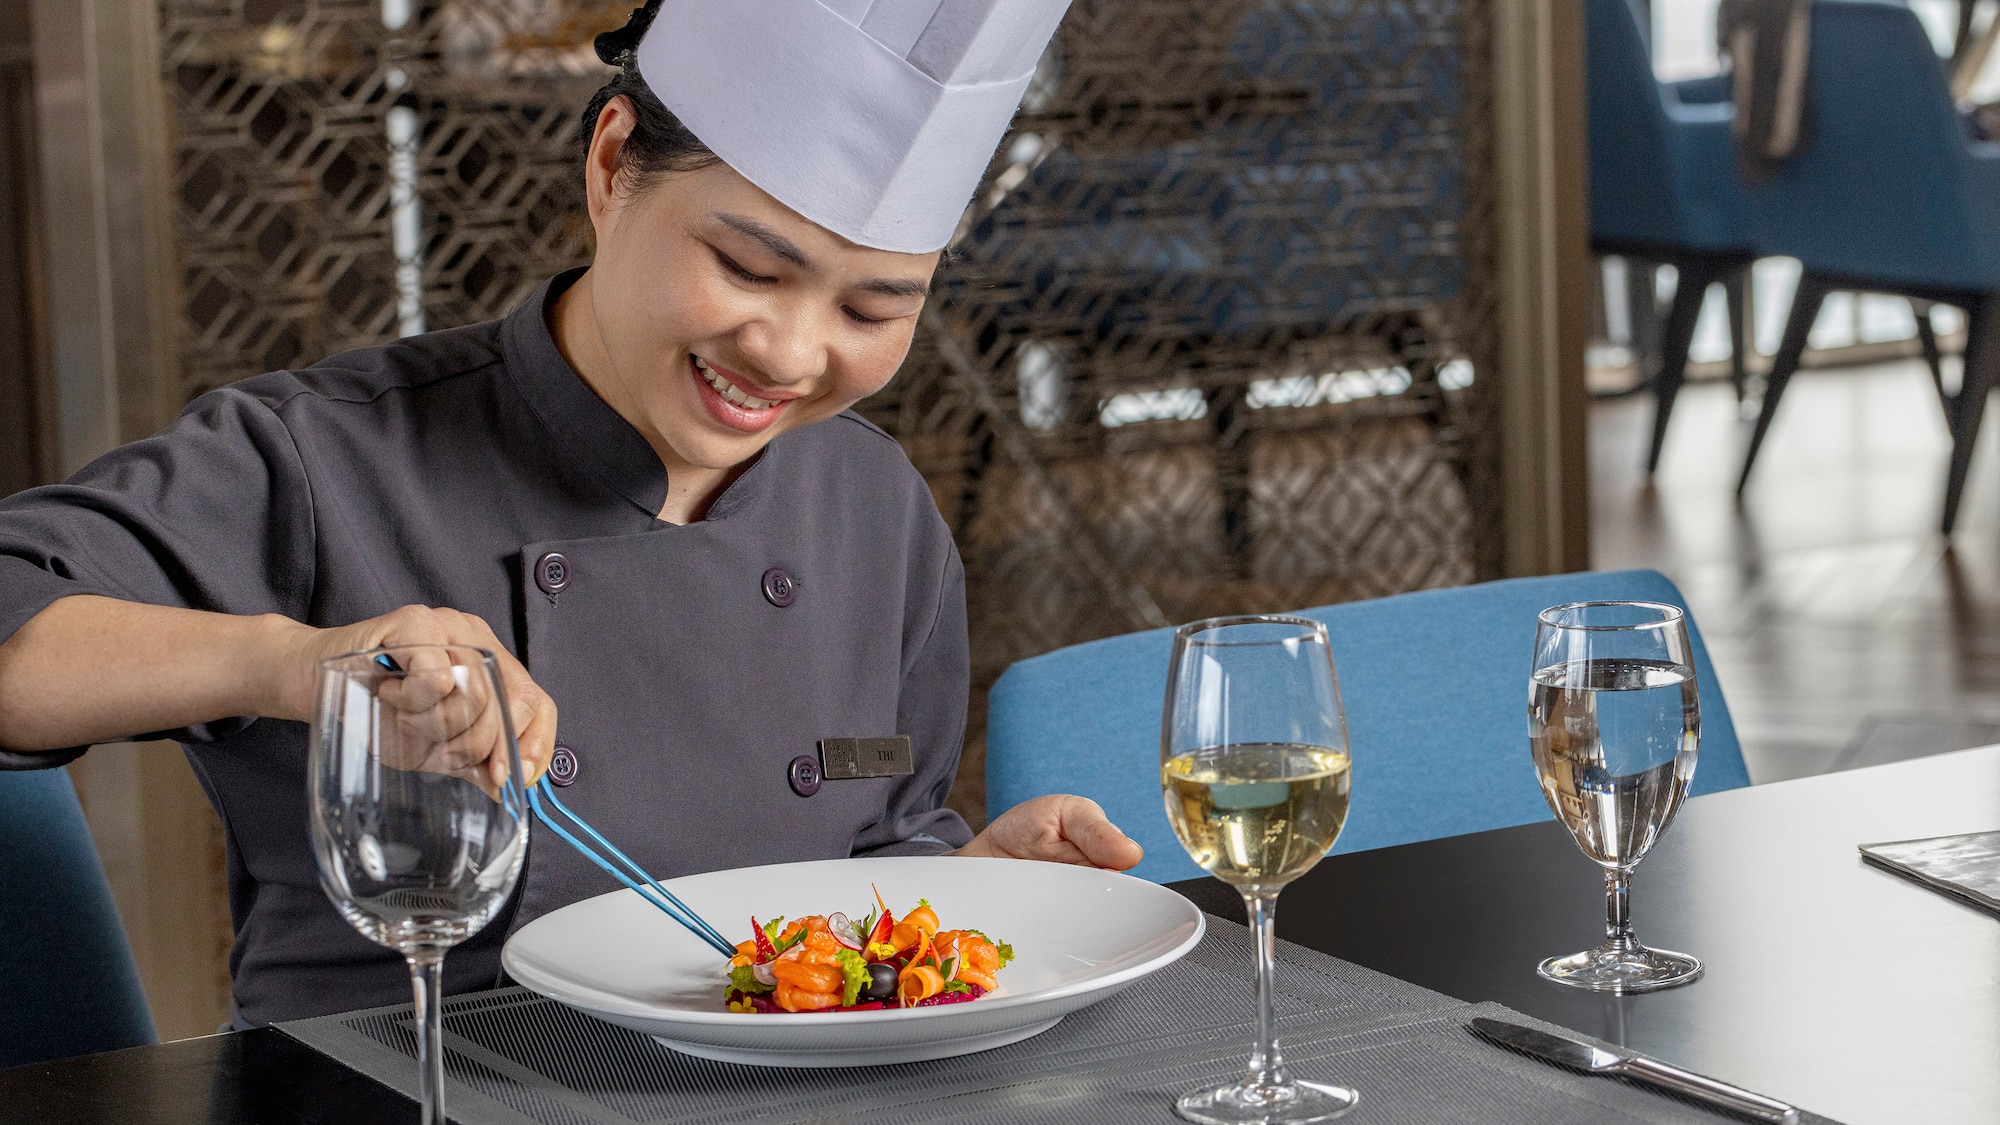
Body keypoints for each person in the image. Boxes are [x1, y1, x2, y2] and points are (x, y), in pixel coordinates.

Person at [0, 0, 1140, 1028]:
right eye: (747, 268)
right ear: (608, 166)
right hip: (395, 1089)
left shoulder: (873, 502)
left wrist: (953, 905)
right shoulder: (323, 458)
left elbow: (871, 851)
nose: (791, 353)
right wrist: (305, 666)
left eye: (870, 310)